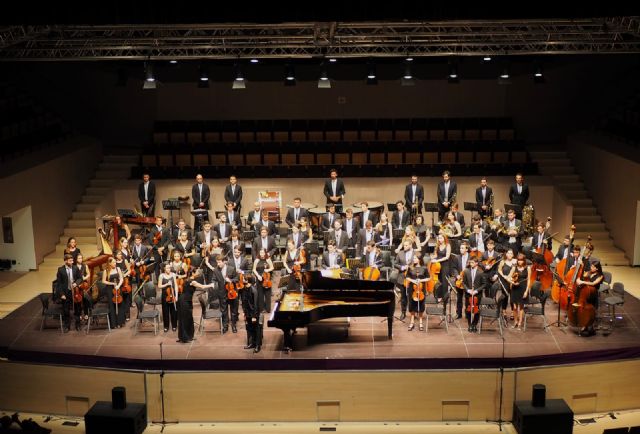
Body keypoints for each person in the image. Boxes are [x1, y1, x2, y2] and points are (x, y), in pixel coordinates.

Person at [177, 269, 208, 343]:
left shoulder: (190, 279)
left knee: (189, 318)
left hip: (186, 300)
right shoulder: (192, 281)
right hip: (184, 301)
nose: (199, 272)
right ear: (193, 273)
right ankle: (184, 338)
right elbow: (202, 286)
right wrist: (211, 285)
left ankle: (189, 336)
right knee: (185, 319)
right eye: (197, 271)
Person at [575, 261, 604, 337]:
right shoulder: (589, 273)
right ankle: (584, 324)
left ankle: (590, 326)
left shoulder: (600, 276)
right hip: (585, 293)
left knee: (592, 311)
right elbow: (582, 276)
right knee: (584, 308)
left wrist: (582, 282)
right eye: (591, 266)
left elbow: (593, 283)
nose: (591, 268)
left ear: (597, 268)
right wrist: (579, 275)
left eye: (592, 267)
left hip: (593, 294)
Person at [55, 253, 82, 332]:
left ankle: (78, 324)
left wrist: (76, 283)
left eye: (72, 260)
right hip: (66, 292)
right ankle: (67, 325)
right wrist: (62, 294)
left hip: (75, 291)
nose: (72, 262)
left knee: (77, 309)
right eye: (70, 261)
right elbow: (59, 284)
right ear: (65, 261)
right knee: (66, 310)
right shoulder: (60, 270)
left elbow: (80, 278)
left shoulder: (75, 268)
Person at [210, 254, 238, 333]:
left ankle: (234, 325)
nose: (218, 264)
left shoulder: (231, 269)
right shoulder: (216, 270)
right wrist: (213, 284)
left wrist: (231, 280)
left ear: (224, 262)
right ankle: (225, 326)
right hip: (222, 293)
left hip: (232, 292)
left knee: (233, 310)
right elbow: (213, 279)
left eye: (219, 262)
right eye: (217, 263)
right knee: (224, 310)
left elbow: (237, 278)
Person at [406, 255, 430, 331]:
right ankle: (412, 321)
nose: (414, 259)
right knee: (412, 304)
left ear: (419, 259)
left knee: (421, 305)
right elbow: (407, 276)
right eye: (413, 258)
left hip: (421, 289)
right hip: (412, 289)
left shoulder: (424, 268)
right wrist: (413, 281)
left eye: (415, 258)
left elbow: (428, 278)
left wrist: (421, 280)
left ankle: (420, 322)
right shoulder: (410, 267)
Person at [463, 256, 485, 332]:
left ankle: (474, 324)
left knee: (476, 310)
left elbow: (484, 284)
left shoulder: (481, 272)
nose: (470, 264)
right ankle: (470, 324)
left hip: (477, 294)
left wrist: (476, 291)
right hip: (468, 294)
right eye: (470, 262)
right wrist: (468, 290)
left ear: (476, 263)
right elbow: (464, 283)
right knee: (468, 309)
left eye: (472, 262)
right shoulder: (466, 271)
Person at [510, 253, 531, 330]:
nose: (520, 262)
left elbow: (529, 280)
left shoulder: (528, 268)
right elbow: (510, 278)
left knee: (521, 307)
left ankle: (520, 323)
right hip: (515, 289)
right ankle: (515, 322)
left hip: (523, 288)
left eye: (521, 260)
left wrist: (526, 291)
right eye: (518, 260)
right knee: (515, 307)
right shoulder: (514, 268)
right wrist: (513, 282)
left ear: (524, 260)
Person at [103, 257, 125, 329]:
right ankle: (114, 324)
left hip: (118, 289)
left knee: (120, 304)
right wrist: (112, 283)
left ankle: (120, 322)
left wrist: (118, 285)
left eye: (115, 262)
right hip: (110, 289)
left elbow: (121, 278)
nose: (115, 264)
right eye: (113, 262)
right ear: (109, 263)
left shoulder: (117, 269)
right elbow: (104, 281)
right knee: (112, 306)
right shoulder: (106, 271)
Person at [252, 248, 275, 313]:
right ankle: (261, 309)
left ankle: (267, 309)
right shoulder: (256, 260)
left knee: (267, 294)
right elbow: (254, 269)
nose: (262, 254)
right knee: (260, 294)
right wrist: (258, 276)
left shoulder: (268, 259)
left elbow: (272, 267)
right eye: (261, 253)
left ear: (265, 253)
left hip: (267, 278)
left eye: (263, 253)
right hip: (260, 279)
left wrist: (268, 270)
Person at [158, 262, 178, 333]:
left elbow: (175, 285)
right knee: (165, 311)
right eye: (167, 268)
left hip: (173, 294)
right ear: (164, 269)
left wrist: (177, 296)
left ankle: (174, 326)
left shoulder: (173, 275)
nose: (169, 269)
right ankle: (166, 326)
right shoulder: (161, 276)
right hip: (165, 295)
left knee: (173, 311)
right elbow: (159, 286)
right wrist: (166, 284)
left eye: (169, 268)